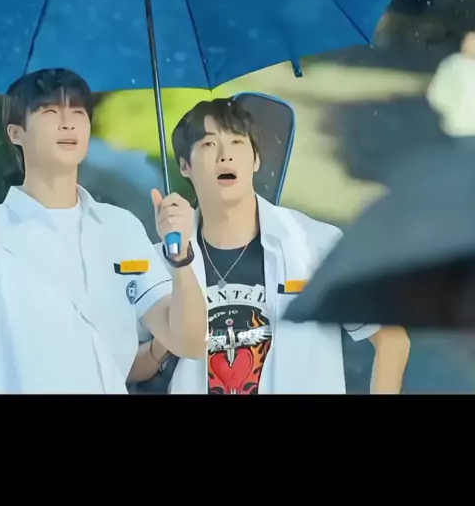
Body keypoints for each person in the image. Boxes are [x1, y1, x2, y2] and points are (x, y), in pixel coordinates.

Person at [135, 97, 411, 394]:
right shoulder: (161, 260)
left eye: (237, 142)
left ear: (255, 160)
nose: (225, 156)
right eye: (209, 144)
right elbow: (122, 365)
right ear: (185, 166)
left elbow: (391, 339)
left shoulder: (315, 244)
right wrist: (167, 340)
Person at [0, 68, 206, 394]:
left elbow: (189, 341)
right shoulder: (0, 233)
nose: (68, 124)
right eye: (50, 112)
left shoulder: (121, 227)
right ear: (15, 133)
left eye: (78, 113)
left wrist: (180, 256)